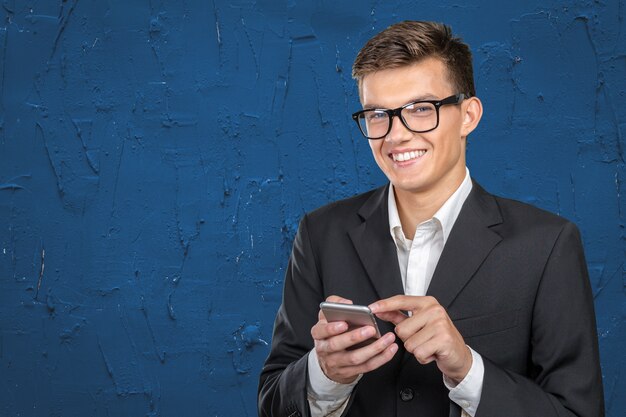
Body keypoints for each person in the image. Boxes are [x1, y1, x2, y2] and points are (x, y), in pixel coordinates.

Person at [258, 21, 604, 417]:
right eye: (377, 115)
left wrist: (467, 369)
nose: (395, 136)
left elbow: (578, 412)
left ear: (469, 115)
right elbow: (271, 403)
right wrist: (323, 374)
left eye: (421, 109)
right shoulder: (321, 235)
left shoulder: (547, 245)